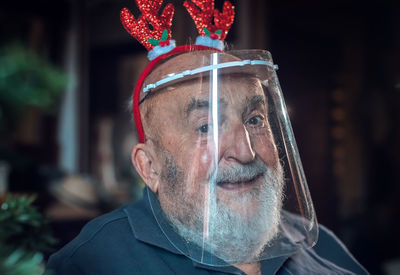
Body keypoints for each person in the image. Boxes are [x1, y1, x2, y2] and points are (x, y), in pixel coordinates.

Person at [46, 1, 368, 274]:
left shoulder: (321, 243)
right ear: (149, 167)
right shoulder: (93, 261)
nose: (245, 152)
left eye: (255, 119)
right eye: (205, 127)